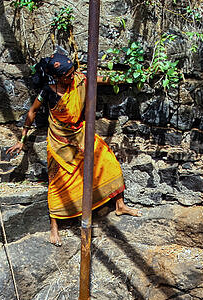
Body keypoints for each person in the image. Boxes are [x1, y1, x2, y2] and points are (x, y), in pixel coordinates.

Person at [7, 50, 140, 246]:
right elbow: (32, 112)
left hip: (81, 133)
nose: (71, 77)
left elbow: (100, 79)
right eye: (67, 76)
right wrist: (22, 139)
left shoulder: (79, 80)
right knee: (59, 182)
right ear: (57, 77)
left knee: (108, 161)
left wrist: (128, 78)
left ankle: (119, 205)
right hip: (60, 141)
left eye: (72, 74)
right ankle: (54, 226)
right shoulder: (48, 92)